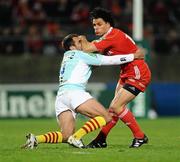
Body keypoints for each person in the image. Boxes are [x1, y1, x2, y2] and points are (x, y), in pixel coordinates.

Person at [21, 33, 145, 149]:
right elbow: (110, 61)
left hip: (61, 97)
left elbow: (90, 64)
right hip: (75, 93)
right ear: (72, 46)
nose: (82, 43)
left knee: (65, 135)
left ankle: (36, 139)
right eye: (78, 41)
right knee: (106, 117)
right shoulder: (81, 55)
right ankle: (77, 137)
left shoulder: (67, 57)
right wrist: (133, 56)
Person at [79, 7, 151, 148]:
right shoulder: (108, 37)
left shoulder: (113, 35)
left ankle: (140, 136)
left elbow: (87, 48)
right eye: (94, 25)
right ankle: (101, 139)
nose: (96, 27)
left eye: (99, 24)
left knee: (116, 106)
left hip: (137, 73)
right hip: (126, 73)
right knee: (113, 110)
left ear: (108, 24)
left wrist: (80, 39)